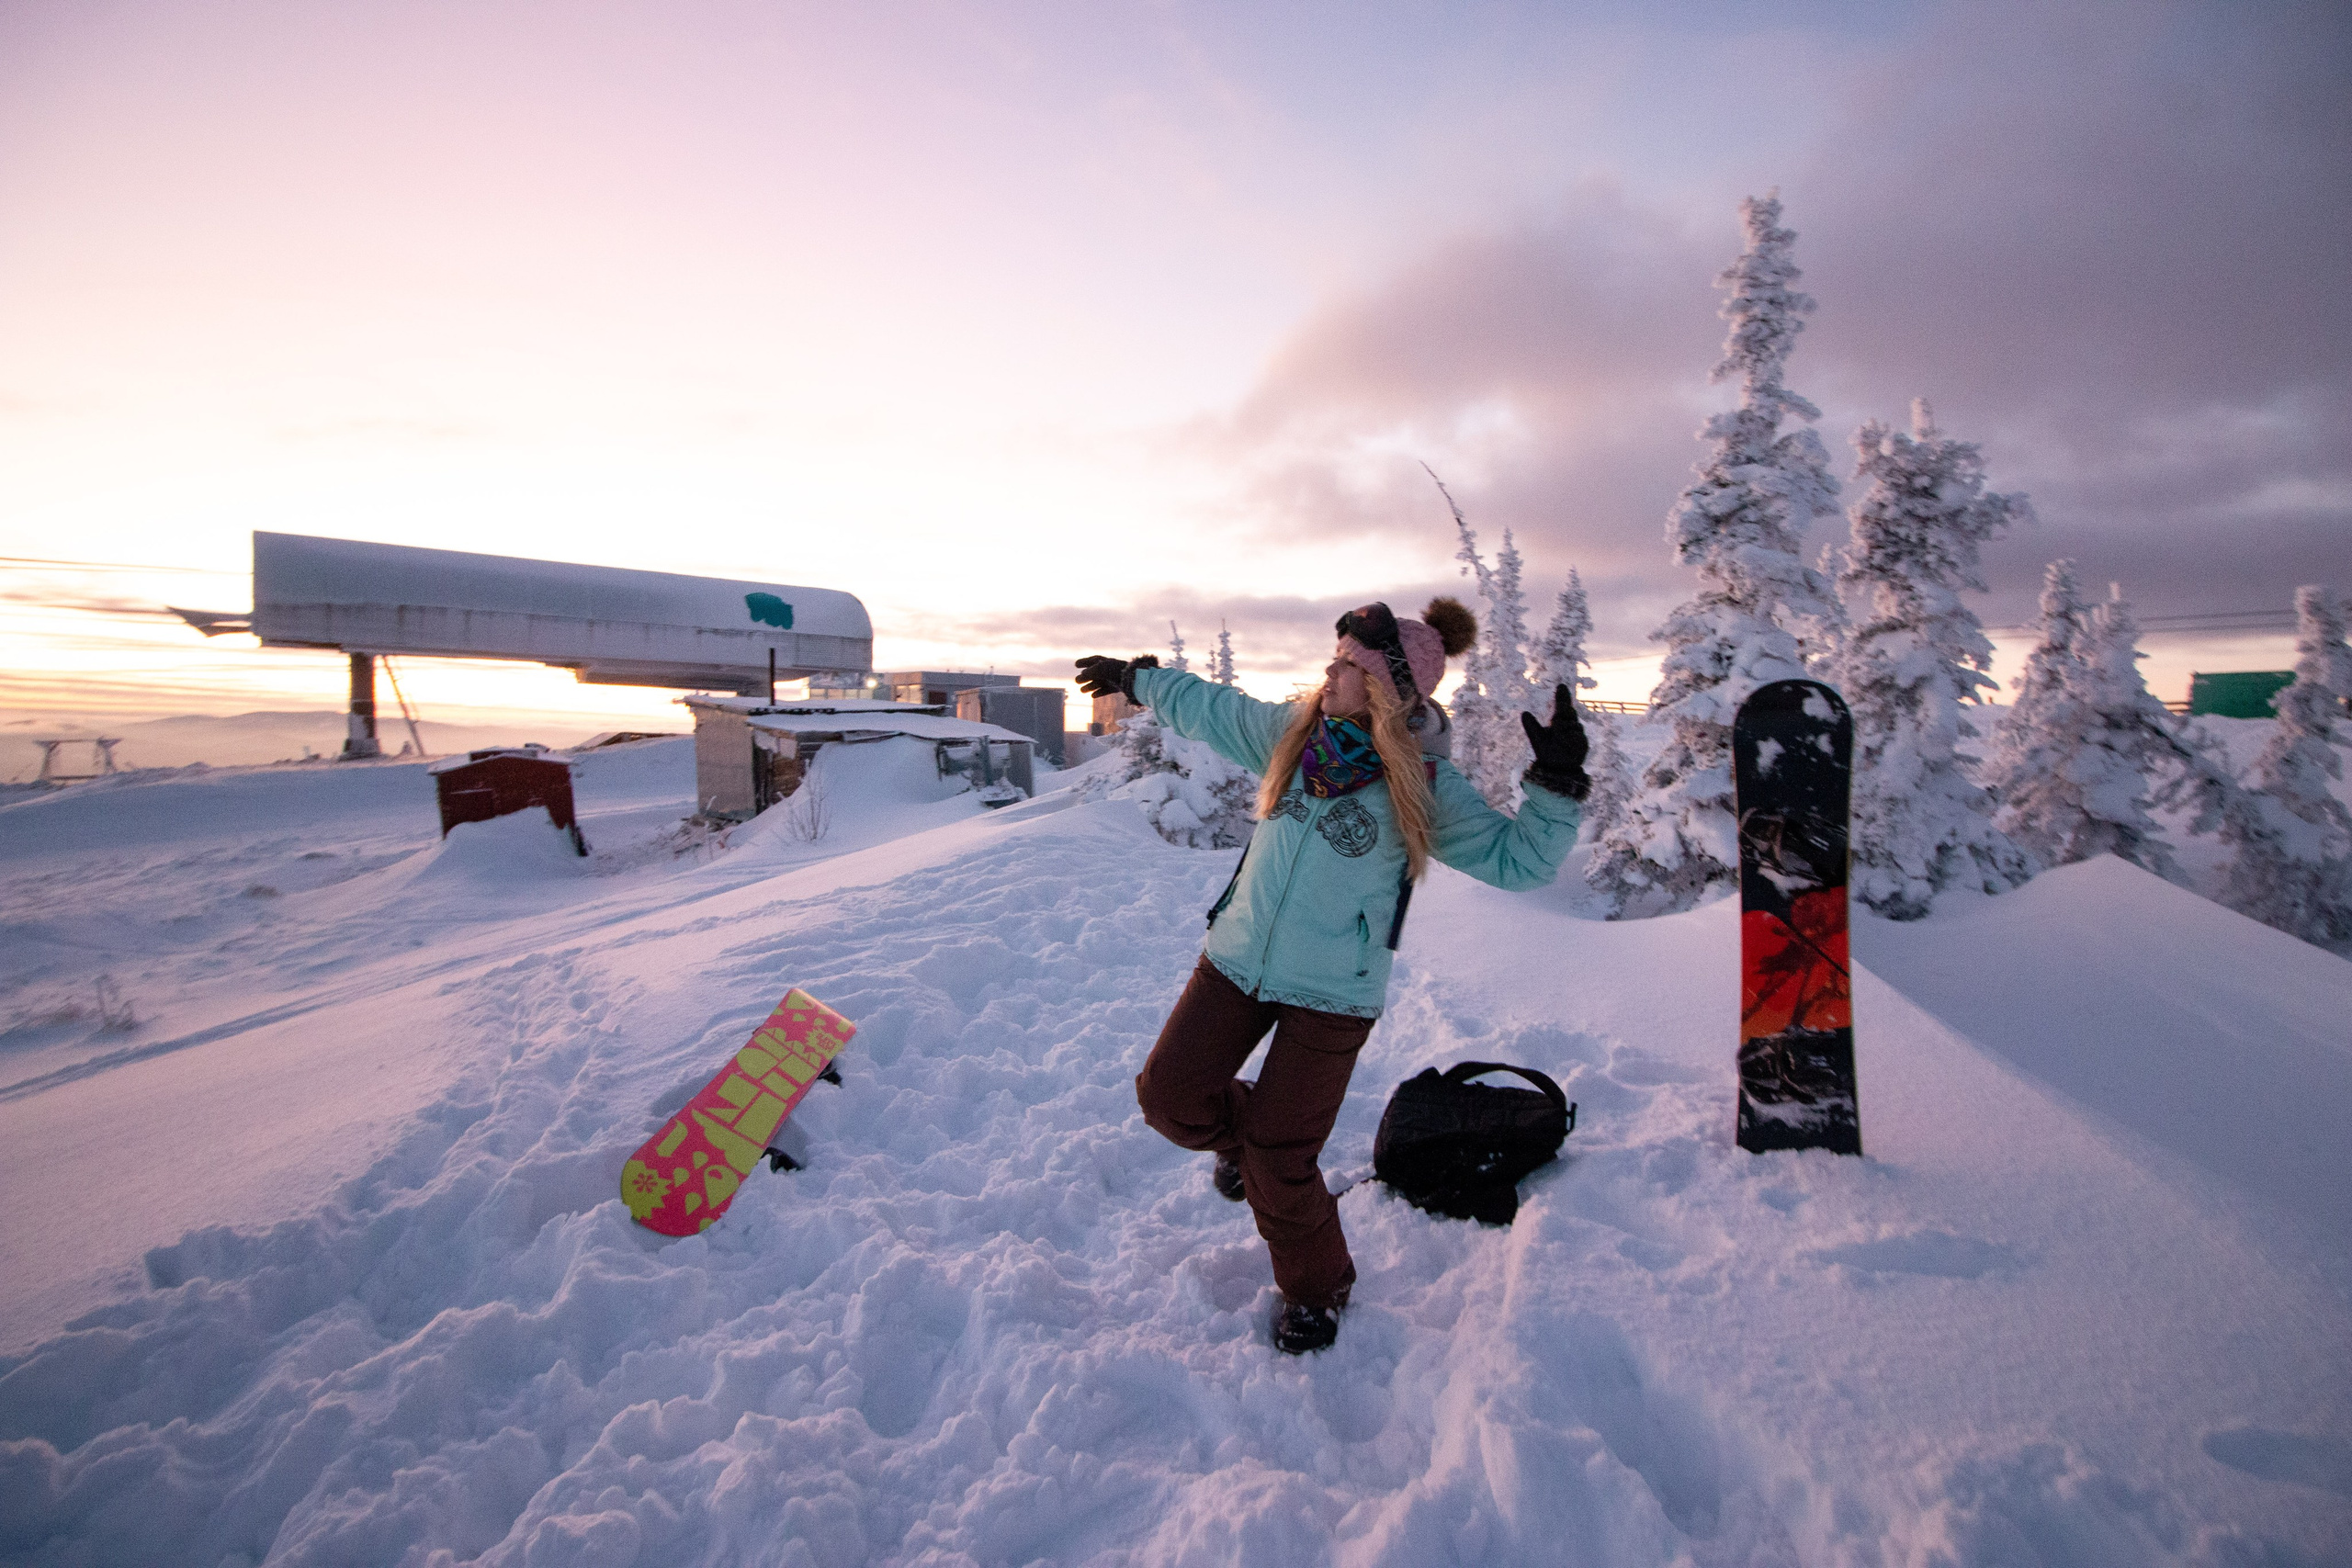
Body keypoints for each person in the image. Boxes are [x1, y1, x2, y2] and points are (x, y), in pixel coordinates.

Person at [1074, 598, 1590, 1354]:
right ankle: (1240, 1140)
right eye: (1337, 657)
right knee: (1169, 1096)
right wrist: (1139, 678)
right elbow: (1215, 708)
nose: (1332, 671)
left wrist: (1554, 782)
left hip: (1334, 994)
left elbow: (1522, 861)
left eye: (1349, 665)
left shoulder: (1422, 785)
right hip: (1238, 958)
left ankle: (1319, 1289)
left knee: (1283, 1158)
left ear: (1387, 690)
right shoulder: (1294, 735)